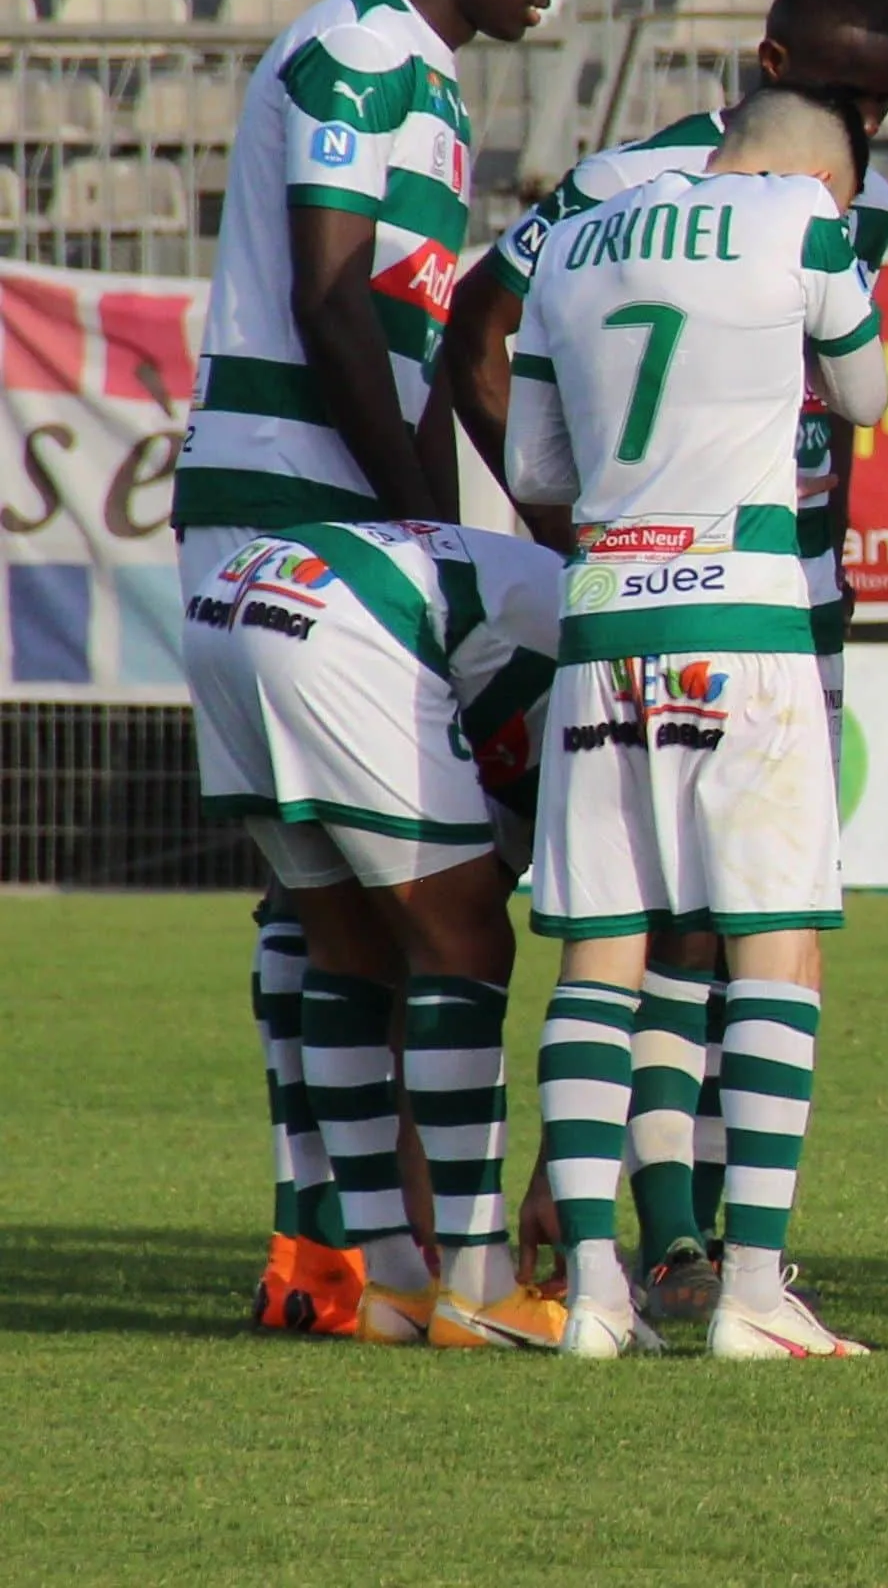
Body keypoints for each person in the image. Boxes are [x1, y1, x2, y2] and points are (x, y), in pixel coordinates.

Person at [440, 0, 888, 1321]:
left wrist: (598, 537)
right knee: (762, 935)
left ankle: (607, 1282)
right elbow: (864, 399)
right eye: (842, 101)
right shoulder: (809, 215)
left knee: (606, 939)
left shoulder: (590, 216)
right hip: (753, 606)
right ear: (771, 73)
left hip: (613, 614)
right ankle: (732, 1264)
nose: (863, 132)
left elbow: (534, 444)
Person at [171, 0, 570, 1335]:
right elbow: (339, 304)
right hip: (290, 504)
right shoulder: (362, 50)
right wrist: (421, 526)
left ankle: (342, 1263)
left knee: (331, 909)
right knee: (372, 913)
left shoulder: (428, 76)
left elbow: (393, 341)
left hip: (306, 512)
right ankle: (369, 1258)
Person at [183, 518, 568, 1348]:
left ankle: (392, 1283)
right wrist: (568, 1167)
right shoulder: (611, 687)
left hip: (235, 596)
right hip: (348, 621)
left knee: (348, 945)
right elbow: (604, 949)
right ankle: (479, 1285)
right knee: (467, 946)